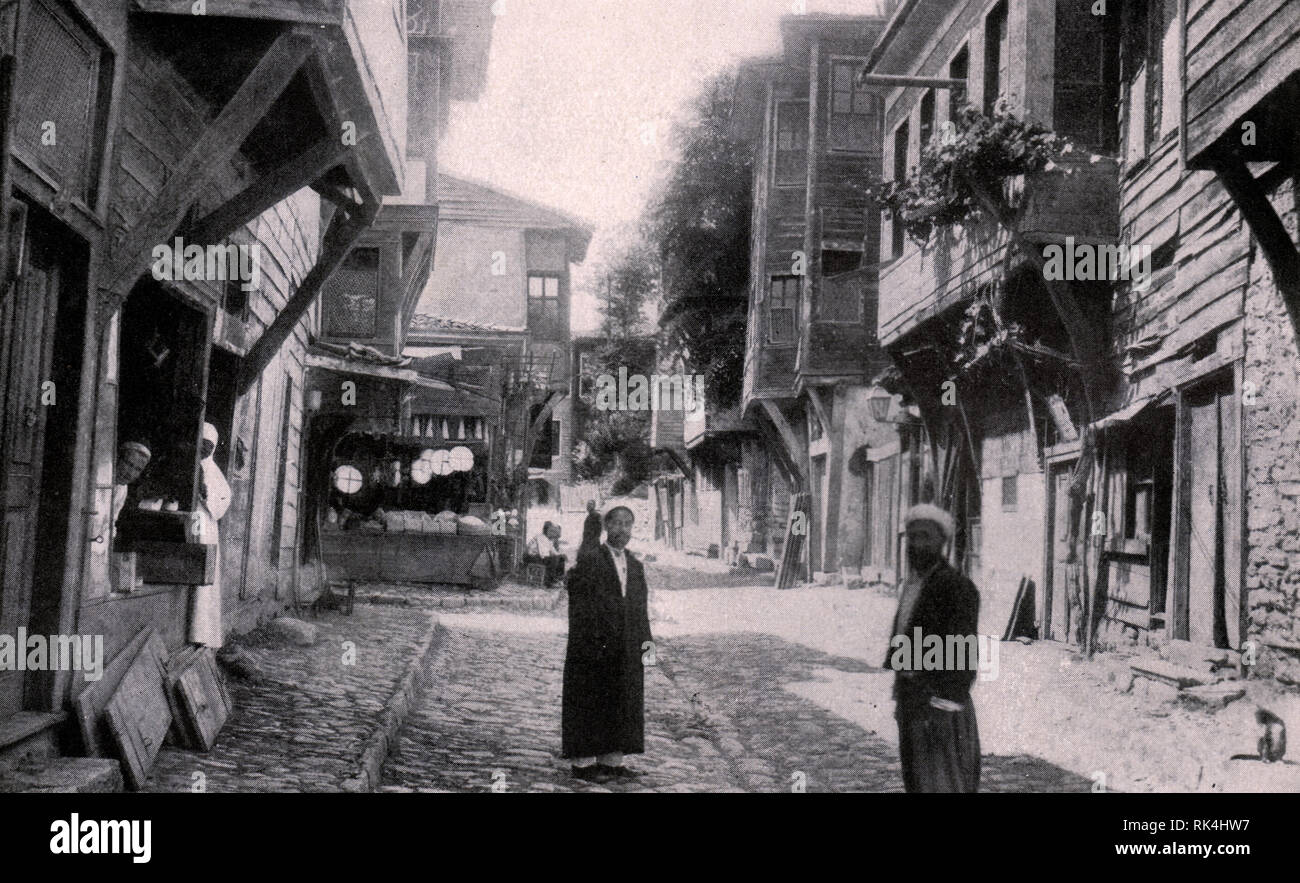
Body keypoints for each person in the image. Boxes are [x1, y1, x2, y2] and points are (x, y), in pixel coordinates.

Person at [886, 503, 981, 793]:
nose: (917, 544)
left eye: (926, 537)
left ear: (942, 542)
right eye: (912, 537)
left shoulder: (957, 587)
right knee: (916, 782)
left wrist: (944, 704)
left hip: (939, 707)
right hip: (912, 702)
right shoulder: (912, 585)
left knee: (943, 783)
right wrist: (900, 690)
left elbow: (964, 652)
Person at [561, 505, 653, 784]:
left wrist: (647, 647)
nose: (622, 530)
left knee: (621, 699)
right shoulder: (592, 559)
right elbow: (579, 601)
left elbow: (640, 608)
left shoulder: (635, 565)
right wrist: (589, 639)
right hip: (593, 643)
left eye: (628, 524)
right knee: (589, 698)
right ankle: (584, 763)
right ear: (606, 527)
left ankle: (612, 762)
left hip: (626, 644)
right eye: (617, 524)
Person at [189, 423, 232, 648]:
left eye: (209, 446)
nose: (204, 449)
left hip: (205, 525)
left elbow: (223, 500)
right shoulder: (188, 465)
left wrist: (207, 495)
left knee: (201, 576)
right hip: (188, 522)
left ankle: (201, 632)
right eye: (202, 444)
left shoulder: (213, 472)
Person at [111, 441, 152, 527]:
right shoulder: (97, 480)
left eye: (138, 469)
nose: (131, 473)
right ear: (118, 459)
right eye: (129, 464)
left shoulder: (122, 489)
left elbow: (110, 524)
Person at [525, 521, 566, 587]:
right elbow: (543, 554)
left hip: (539, 556)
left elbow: (554, 552)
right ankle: (549, 582)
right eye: (551, 531)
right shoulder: (541, 537)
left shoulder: (549, 540)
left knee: (561, 558)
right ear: (546, 530)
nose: (553, 533)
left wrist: (561, 556)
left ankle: (559, 579)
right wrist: (556, 557)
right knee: (553, 559)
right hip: (531, 557)